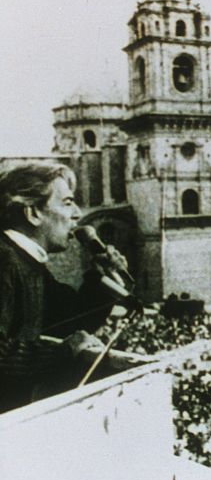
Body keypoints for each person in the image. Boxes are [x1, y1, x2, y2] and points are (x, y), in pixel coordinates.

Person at [0, 161, 125, 412]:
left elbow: (69, 316)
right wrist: (64, 351)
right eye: (67, 202)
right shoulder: (5, 261)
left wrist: (101, 276)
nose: (78, 213)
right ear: (33, 213)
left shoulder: (26, 262)